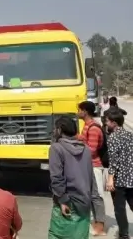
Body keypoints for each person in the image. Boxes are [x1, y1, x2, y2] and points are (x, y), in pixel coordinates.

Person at [48, 116, 97, 239]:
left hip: (67, 202)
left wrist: (63, 201)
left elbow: (56, 177)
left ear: (59, 130)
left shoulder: (56, 148)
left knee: (59, 235)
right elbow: (91, 177)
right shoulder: (85, 149)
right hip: (84, 201)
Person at [76, 101, 107, 235]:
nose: (78, 112)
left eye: (79, 110)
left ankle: (100, 227)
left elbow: (92, 150)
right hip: (88, 165)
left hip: (94, 166)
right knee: (91, 195)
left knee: (97, 197)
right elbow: (85, 141)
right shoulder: (86, 126)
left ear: (85, 112)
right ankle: (95, 222)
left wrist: (77, 147)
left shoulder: (93, 128)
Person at [104, 109, 133, 237]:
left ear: (114, 123)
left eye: (107, 121)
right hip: (131, 177)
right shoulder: (130, 135)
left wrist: (110, 179)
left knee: (119, 208)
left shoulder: (113, 138)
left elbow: (114, 161)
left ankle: (123, 234)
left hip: (120, 178)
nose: (105, 123)